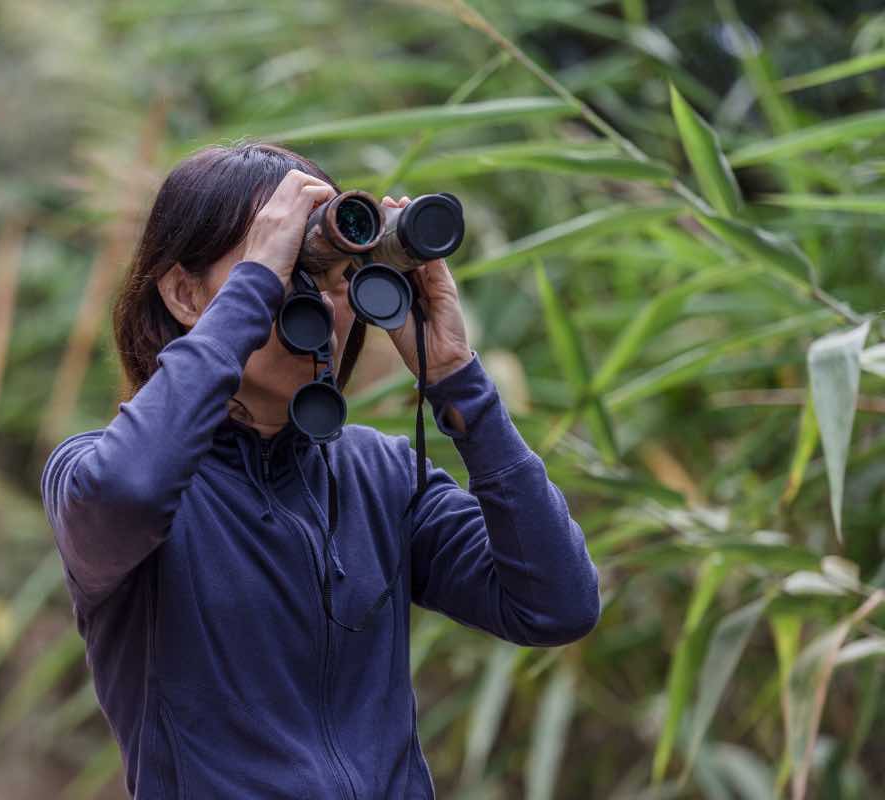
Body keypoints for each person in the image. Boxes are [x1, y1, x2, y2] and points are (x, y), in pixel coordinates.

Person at [40, 142, 600, 799]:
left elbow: (557, 605)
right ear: (187, 294)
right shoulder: (90, 472)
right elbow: (128, 490)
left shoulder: (382, 476)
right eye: (283, 264)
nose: (322, 302)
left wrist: (457, 379)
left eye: (332, 274)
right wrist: (255, 287)